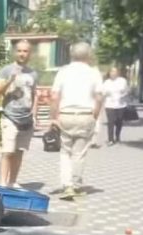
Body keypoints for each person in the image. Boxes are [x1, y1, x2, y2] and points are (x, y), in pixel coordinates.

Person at [50, 42, 104, 200]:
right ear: (88, 55)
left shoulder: (63, 72)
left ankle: (67, 186)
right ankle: (76, 185)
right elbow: (99, 96)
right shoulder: (94, 73)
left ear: (72, 55)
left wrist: (54, 117)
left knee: (65, 151)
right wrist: (96, 113)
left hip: (66, 114)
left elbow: (54, 96)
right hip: (85, 114)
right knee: (79, 153)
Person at [0, 40, 38, 189]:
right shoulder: (6, 70)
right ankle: (3, 183)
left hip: (26, 119)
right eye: (19, 51)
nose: (22, 54)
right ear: (15, 52)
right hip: (10, 116)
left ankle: (12, 181)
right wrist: (10, 80)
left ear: (29, 53)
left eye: (25, 51)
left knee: (19, 151)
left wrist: (34, 113)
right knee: (8, 151)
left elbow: (35, 93)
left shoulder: (33, 73)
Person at [101, 67, 129, 145]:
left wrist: (123, 94)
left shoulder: (122, 81)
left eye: (115, 72)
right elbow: (103, 92)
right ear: (109, 73)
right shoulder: (106, 82)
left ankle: (117, 136)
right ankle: (110, 139)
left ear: (118, 73)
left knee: (119, 121)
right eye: (111, 72)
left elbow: (127, 90)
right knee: (111, 122)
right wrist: (105, 94)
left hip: (121, 104)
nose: (113, 73)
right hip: (109, 105)